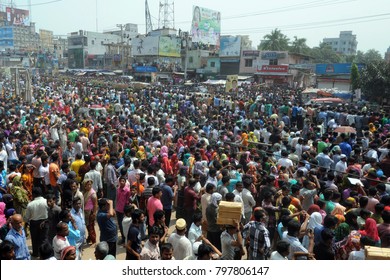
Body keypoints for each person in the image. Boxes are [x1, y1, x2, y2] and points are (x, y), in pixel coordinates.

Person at [24, 187, 48, 258]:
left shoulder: (30, 204)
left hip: (34, 223)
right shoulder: (46, 201)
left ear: (33, 194)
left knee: (35, 239)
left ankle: (36, 253)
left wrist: (26, 222)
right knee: (44, 238)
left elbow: (26, 217)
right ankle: (44, 253)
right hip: (45, 222)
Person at [115, 176, 130, 244]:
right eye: (120, 181)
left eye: (123, 181)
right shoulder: (117, 189)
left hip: (124, 210)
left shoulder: (127, 190)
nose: (121, 182)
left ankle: (127, 238)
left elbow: (127, 201)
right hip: (118, 209)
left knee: (125, 224)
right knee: (120, 225)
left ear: (125, 182)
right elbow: (117, 199)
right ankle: (123, 238)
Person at [83, 178, 98, 245]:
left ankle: (93, 240)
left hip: (90, 212)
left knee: (91, 227)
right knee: (88, 226)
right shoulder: (85, 192)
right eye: (87, 185)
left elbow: (95, 204)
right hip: (85, 212)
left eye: (90, 185)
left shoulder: (92, 194)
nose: (89, 186)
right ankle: (89, 237)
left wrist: (94, 213)